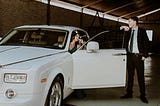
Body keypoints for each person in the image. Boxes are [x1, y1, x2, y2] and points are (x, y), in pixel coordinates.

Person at [120, 16, 149, 103]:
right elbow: (122, 35)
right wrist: (122, 28)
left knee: (140, 77)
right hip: (130, 56)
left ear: (135, 22)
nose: (128, 23)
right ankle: (129, 93)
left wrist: (145, 55)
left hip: (138, 56)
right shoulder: (128, 31)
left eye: (130, 21)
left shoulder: (142, 31)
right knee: (130, 76)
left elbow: (146, 43)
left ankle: (143, 95)